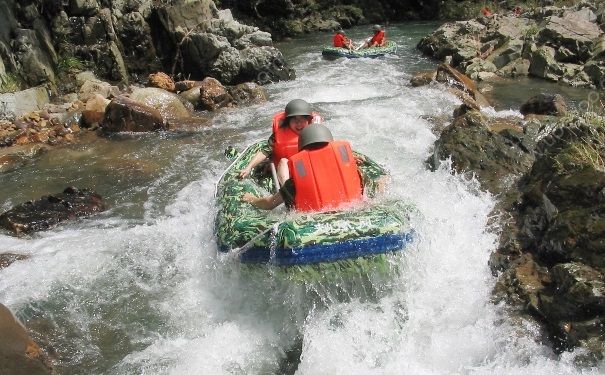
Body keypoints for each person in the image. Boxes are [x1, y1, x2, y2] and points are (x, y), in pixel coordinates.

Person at [242, 125, 363, 211]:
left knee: (289, 194)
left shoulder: (295, 183)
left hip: (311, 222)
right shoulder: (353, 171)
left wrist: (251, 199)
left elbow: (268, 204)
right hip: (351, 211)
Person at [238, 99, 322, 179]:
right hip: (287, 171)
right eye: (294, 119)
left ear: (308, 120)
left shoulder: (316, 133)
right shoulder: (278, 136)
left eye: (302, 119)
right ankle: (286, 190)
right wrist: (248, 167)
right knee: (283, 161)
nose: (298, 123)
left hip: (307, 169)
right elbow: (264, 152)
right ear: (288, 122)